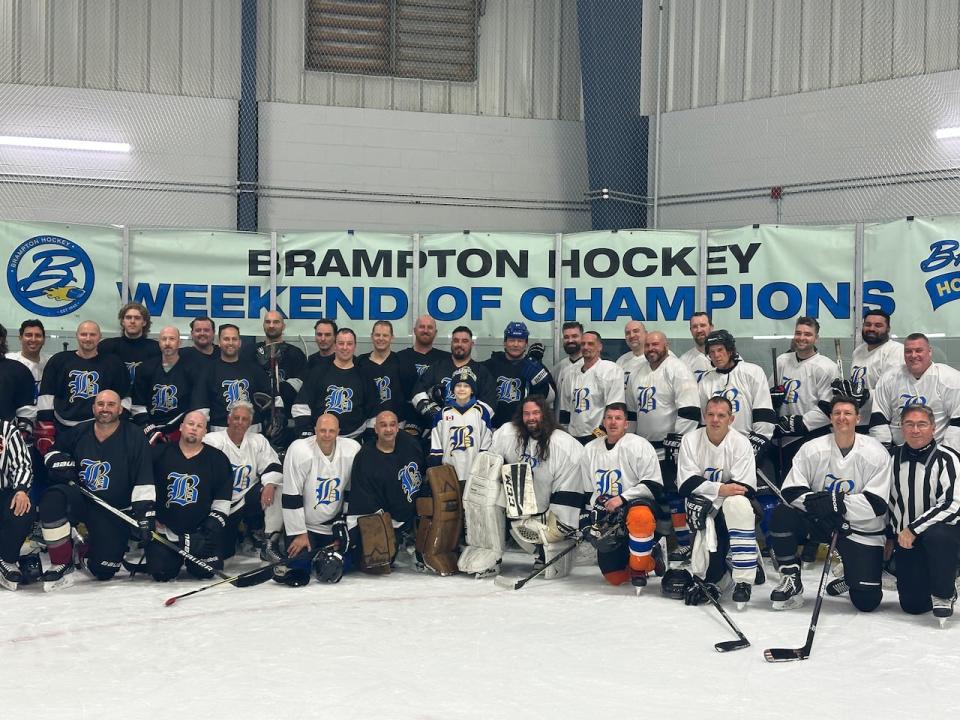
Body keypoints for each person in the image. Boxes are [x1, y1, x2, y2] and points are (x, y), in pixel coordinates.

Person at [768, 396, 892, 612]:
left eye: (848, 413)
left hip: (860, 529)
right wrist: (821, 505)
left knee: (867, 602)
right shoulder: (812, 449)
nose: (842, 418)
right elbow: (790, 491)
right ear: (830, 418)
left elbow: (876, 504)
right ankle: (790, 578)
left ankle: (852, 575)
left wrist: (834, 502)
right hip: (821, 521)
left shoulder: (875, 452)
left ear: (858, 418)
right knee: (783, 513)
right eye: (837, 413)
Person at [37, 390, 155, 590]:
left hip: (113, 510)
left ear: (120, 408)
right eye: (100, 404)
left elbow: (144, 478)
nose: (105, 409)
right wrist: (58, 461)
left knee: (104, 570)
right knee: (53, 498)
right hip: (82, 500)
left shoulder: (135, 436)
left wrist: (145, 515)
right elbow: (51, 453)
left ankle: (83, 547)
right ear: (93, 408)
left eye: (110, 404)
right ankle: (61, 562)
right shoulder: (79, 431)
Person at [675, 396, 759, 609]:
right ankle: (723, 566)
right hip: (703, 506)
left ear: (731, 419)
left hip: (731, 505)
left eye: (721, 415)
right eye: (711, 414)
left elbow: (743, 487)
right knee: (712, 572)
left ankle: (743, 580)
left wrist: (712, 491)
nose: (715, 420)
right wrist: (720, 489)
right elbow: (685, 483)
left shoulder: (741, 442)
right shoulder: (690, 440)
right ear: (704, 416)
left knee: (737, 505)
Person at [491, 396, 587, 579]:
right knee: (490, 497)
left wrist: (559, 522)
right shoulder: (507, 434)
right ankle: (492, 553)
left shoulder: (563, 444)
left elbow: (573, 486)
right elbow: (489, 463)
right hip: (524, 504)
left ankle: (549, 552)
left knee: (556, 527)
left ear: (545, 414)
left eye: (535, 413)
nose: (531, 418)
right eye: (526, 414)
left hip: (553, 505)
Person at [626, 330, 700, 563]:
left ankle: (685, 543)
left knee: (674, 496)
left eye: (655, 344)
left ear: (665, 344)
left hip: (670, 446)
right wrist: (629, 440)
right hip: (645, 448)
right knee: (653, 496)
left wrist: (678, 440)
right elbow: (631, 412)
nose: (651, 349)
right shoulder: (638, 372)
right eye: (648, 345)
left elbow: (689, 409)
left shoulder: (677, 368)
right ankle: (661, 540)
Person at [888, 404, 960, 622]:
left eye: (921, 424)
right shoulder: (891, 458)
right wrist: (890, 535)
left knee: (938, 534)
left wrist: (913, 528)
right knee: (913, 605)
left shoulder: (947, 458)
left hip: (942, 535)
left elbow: (952, 503)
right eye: (909, 424)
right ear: (902, 427)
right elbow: (886, 500)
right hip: (906, 539)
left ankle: (944, 591)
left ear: (933, 428)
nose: (915, 430)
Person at [581, 402, 663, 590]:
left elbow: (654, 485)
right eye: (609, 418)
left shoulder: (639, 445)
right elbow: (588, 491)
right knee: (615, 577)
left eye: (618, 418)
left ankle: (640, 565)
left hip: (636, 509)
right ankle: (649, 557)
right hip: (609, 517)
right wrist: (591, 515)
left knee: (640, 516)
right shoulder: (590, 449)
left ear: (626, 423)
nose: (613, 422)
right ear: (603, 421)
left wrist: (623, 499)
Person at [147, 411, 233, 581]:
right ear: (181, 427)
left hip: (200, 533)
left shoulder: (218, 459)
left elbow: (222, 502)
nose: (194, 429)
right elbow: (144, 487)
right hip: (167, 533)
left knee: (206, 571)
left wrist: (206, 532)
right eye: (190, 424)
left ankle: (193, 554)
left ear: (205, 432)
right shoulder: (158, 454)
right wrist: (150, 517)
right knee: (161, 571)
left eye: (199, 426)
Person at [278, 414, 360, 586]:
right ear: (315, 431)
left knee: (350, 560)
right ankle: (295, 558)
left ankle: (323, 560)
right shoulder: (300, 450)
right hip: (305, 527)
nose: (327, 435)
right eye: (322, 430)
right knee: (299, 572)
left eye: (331, 431)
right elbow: (291, 494)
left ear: (338, 432)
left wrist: (344, 522)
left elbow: (352, 491)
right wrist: (299, 533)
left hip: (332, 526)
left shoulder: (351, 450)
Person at [202, 402, 283, 560]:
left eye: (244, 419)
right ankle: (240, 533)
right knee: (223, 553)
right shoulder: (212, 441)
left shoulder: (258, 441)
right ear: (228, 419)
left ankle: (269, 542)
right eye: (236, 418)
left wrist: (270, 484)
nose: (240, 422)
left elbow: (272, 465)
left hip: (247, 498)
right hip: (219, 504)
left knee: (278, 487)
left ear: (250, 423)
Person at [346, 410, 424, 573]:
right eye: (383, 425)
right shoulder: (366, 457)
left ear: (397, 428)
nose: (388, 429)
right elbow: (363, 500)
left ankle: (415, 540)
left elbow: (423, 473)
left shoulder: (410, 445)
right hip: (382, 518)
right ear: (375, 429)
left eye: (392, 425)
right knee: (376, 565)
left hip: (409, 513)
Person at [36, 321, 130, 456]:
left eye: (92, 334)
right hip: (63, 428)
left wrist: (119, 422)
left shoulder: (114, 363)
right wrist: (46, 425)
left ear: (99, 337)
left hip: (100, 429)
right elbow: (47, 394)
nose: (88, 338)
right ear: (77, 336)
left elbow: (125, 395)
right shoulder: (59, 360)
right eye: (83, 334)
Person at [869, 333, 960, 449]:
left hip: (937, 453)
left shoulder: (951, 379)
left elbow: (957, 423)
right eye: (908, 351)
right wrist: (884, 451)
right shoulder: (888, 378)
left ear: (930, 351)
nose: (913, 355)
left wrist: (948, 454)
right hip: (898, 452)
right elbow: (879, 418)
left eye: (918, 350)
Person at [771, 317, 838, 471]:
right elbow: (769, 394)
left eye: (807, 334)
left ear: (816, 338)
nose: (802, 338)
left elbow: (829, 407)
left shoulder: (827, 367)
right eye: (798, 333)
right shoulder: (782, 361)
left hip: (811, 436)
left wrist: (801, 423)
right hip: (782, 436)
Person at [698, 329, 776, 459]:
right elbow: (704, 420)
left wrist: (756, 444)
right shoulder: (705, 382)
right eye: (712, 352)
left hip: (747, 445)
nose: (716, 355)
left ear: (730, 351)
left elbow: (764, 414)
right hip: (717, 449)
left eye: (720, 350)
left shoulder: (753, 372)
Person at [293, 328, 374, 440]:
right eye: (341, 343)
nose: (345, 347)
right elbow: (301, 404)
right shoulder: (317, 372)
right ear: (335, 345)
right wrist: (305, 430)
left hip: (354, 439)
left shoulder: (365, 375)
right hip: (320, 438)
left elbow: (373, 410)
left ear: (355, 346)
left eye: (349, 344)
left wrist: (369, 436)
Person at [191, 324, 273, 433]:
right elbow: (201, 404)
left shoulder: (254, 369)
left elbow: (270, 397)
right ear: (219, 342)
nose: (230, 343)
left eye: (234, 339)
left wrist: (273, 416)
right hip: (220, 434)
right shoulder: (208, 370)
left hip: (252, 432)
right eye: (226, 339)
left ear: (239, 343)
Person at [244, 311, 306, 451]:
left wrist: (278, 393)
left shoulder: (295, 354)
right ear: (263, 325)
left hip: (286, 423)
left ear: (283, 326)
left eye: (276, 322)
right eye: (268, 322)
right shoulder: (250, 352)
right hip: (257, 421)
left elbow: (300, 385)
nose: (271, 325)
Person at [410, 326, 496, 426]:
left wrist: (465, 419)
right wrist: (436, 415)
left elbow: (490, 403)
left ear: (472, 344)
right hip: (438, 427)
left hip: (470, 431)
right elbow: (417, 392)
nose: (459, 344)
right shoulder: (437, 367)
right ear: (451, 343)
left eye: (464, 341)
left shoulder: (481, 371)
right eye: (456, 340)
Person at [130, 326, 197, 444]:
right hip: (150, 431)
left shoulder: (191, 369)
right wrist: (150, 430)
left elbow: (194, 406)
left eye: (172, 339)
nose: (167, 343)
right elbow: (137, 405)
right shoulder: (145, 368)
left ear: (179, 342)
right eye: (164, 339)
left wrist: (176, 427)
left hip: (180, 430)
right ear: (159, 342)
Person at [557, 331, 625, 444]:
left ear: (599, 347)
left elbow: (614, 408)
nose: (586, 347)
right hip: (574, 437)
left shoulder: (611, 370)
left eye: (590, 344)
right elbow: (565, 410)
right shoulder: (570, 373)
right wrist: (566, 437)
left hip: (599, 438)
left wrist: (597, 437)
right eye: (583, 344)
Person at [429, 366, 493, 483]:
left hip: (474, 471)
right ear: (453, 389)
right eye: (458, 385)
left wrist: (482, 470)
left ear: (472, 390)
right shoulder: (443, 413)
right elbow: (436, 446)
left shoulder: (481, 412)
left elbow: (486, 444)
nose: (462, 389)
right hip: (448, 471)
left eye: (466, 386)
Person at [483, 321, 552, 428]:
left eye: (520, 341)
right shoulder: (490, 365)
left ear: (526, 344)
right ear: (504, 343)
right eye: (511, 340)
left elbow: (550, 398)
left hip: (524, 428)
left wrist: (541, 384)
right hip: (494, 428)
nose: (515, 344)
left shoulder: (535, 367)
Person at [396, 315, 450, 437]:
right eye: (422, 327)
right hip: (407, 419)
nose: (425, 330)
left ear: (435, 333)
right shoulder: (400, 357)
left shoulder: (445, 359)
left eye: (429, 327)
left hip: (437, 418)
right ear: (414, 330)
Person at [849, 309, 903, 432]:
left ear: (888, 329)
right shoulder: (858, 351)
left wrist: (866, 394)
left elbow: (893, 391)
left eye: (878, 325)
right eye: (868, 324)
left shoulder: (896, 351)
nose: (871, 328)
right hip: (860, 419)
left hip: (883, 421)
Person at [0, 415, 35, 591]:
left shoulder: (7, 430)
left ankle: (6, 560)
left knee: (22, 508)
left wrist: (21, 490)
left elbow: (22, 465)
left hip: (3, 493)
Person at [97, 302, 161, 386]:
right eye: (128, 317)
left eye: (137, 318)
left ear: (144, 322)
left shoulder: (156, 348)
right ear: (122, 321)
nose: (132, 321)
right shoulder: (106, 346)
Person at [357, 320, 407, 421]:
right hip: (368, 423)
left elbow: (409, 395)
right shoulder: (360, 362)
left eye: (385, 335)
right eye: (377, 335)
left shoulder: (402, 362)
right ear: (372, 336)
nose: (381, 338)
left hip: (397, 422)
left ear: (392, 337)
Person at [0, 324, 37, 428]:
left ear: (1, 340)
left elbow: (27, 411)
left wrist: (22, 434)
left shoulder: (18, 370)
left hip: (5, 438)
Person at [7, 318, 49, 408]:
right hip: (15, 416)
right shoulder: (8, 360)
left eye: (38, 335)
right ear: (20, 338)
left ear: (44, 339)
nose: (33, 339)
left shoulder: (51, 362)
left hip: (43, 417)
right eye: (28, 335)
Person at [552, 321, 584, 415]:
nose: (570, 340)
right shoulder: (558, 368)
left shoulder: (593, 366)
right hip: (560, 424)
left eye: (575, 336)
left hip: (586, 426)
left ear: (582, 337)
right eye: (566, 337)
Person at [680, 312, 714, 384]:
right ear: (691, 330)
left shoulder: (726, 356)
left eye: (702, 325)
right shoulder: (683, 361)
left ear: (711, 328)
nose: (699, 330)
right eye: (695, 327)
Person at [615, 320, 647, 387]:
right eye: (628, 333)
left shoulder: (659, 357)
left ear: (646, 334)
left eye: (636, 331)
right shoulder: (621, 361)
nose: (632, 335)